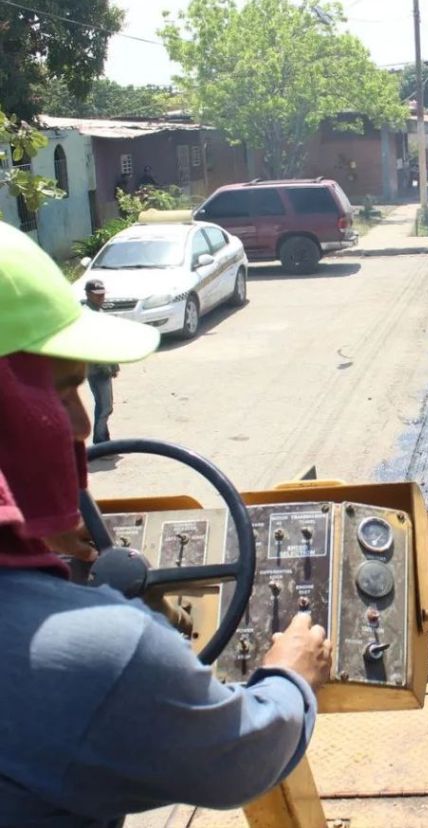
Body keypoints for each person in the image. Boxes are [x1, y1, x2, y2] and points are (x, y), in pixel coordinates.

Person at [0, 222, 332, 827]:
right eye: (62, 392)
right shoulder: (102, 652)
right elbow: (241, 760)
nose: (78, 424)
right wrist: (290, 677)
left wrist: (32, 543)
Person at [83, 279, 118, 444]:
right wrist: (105, 366)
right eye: (97, 295)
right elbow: (91, 345)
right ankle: (100, 442)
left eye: (102, 294)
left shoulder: (99, 312)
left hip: (104, 367)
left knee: (106, 406)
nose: (101, 297)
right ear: (88, 294)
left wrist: (114, 364)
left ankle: (104, 438)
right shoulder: (87, 315)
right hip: (96, 369)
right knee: (104, 407)